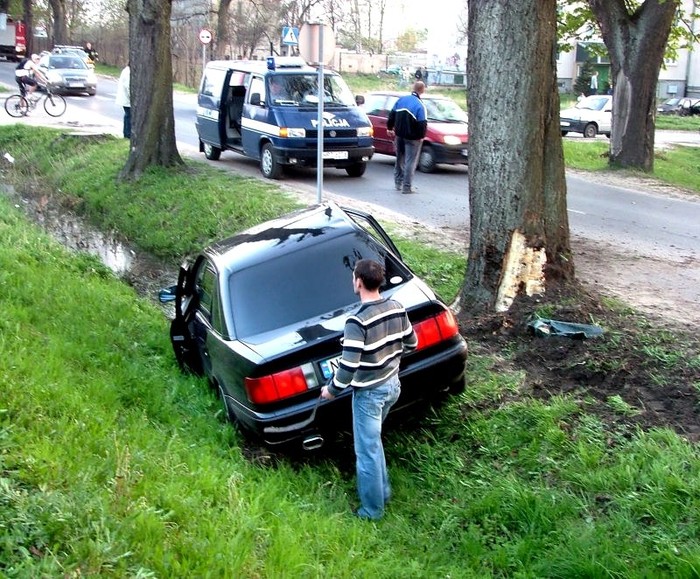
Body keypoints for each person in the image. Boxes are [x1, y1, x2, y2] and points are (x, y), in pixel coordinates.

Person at [321, 259, 417, 521]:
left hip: (369, 395)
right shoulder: (397, 308)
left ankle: (371, 511)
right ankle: (382, 491)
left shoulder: (357, 321)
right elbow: (412, 343)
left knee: (366, 452)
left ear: (359, 282)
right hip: (392, 386)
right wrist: (389, 359)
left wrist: (331, 390)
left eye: (354, 278)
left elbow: (348, 365)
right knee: (373, 445)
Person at [386, 81, 427, 194]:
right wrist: (421, 136)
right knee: (410, 161)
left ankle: (397, 183)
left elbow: (392, 114)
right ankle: (407, 187)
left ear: (413, 88)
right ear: (423, 90)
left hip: (399, 135)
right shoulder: (420, 105)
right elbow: (422, 123)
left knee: (400, 158)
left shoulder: (401, 100)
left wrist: (390, 128)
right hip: (413, 138)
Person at [115, 63, 131, 138]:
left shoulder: (126, 70)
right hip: (127, 99)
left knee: (128, 115)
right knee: (129, 116)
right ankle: (127, 134)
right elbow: (128, 86)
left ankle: (127, 133)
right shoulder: (128, 72)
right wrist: (132, 97)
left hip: (125, 98)